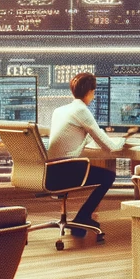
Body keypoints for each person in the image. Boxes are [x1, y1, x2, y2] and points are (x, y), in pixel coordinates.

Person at [47, 72, 117, 237]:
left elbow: (70, 139)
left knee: (100, 174)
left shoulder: (60, 110)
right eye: (93, 92)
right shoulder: (81, 110)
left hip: (50, 171)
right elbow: (108, 147)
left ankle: (81, 220)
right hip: (65, 171)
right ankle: (82, 218)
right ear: (90, 92)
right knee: (108, 177)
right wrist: (123, 142)